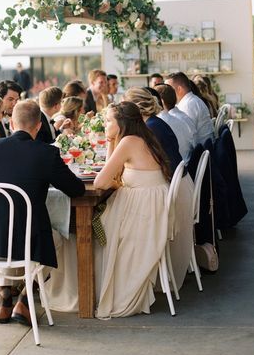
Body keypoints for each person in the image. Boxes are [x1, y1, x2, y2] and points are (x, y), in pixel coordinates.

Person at [0, 100, 85, 326]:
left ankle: (4, 296)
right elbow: (76, 189)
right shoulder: (46, 153)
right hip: (28, 240)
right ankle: (26, 299)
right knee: (60, 236)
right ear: (38, 127)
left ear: (11, 123)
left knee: (6, 231)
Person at [44, 101, 170, 317]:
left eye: (109, 120)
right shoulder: (138, 137)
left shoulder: (129, 141)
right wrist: (112, 140)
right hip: (148, 204)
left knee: (76, 230)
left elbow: (102, 182)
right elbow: (113, 171)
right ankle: (85, 287)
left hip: (142, 210)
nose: (104, 123)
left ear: (121, 123)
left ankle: (80, 291)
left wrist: (115, 183)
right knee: (87, 222)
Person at [124, 86, 194, 290]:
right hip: (178, 185)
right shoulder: (154, 123)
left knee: (121, 219)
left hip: (174, 195)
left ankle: (133, 277)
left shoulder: (151, 129)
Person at [166, 72, 214, 145]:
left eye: (168, 89)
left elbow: (186, 136)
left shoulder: (188, 105)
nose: (166, 92)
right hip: (203, 149)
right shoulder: (191, 100)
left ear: (179, 89)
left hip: (200, 152)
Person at [155, 83, 196, 164]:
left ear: (161, 102)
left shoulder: (162, 122)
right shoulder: (183, 117)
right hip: (186, 165)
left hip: (178, 170)